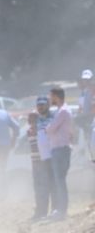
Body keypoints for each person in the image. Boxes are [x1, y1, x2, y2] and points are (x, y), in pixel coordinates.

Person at [46, 87, 72, 221]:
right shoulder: (60, 111)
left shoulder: (62, 111)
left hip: (60, 149)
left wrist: (48, 128)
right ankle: (61, 209)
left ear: (56, 97)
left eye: (51, 96)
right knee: (59, 181)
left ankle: (62, 210)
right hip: (59, 149)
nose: (50, 99)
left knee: (60, 181)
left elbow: (50, 129)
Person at [28, 96, 57, 221]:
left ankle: (54, 210)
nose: (40, 107)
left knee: (51, 186)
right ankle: (40, 211)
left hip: (48, 160)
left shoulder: (50, 120)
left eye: (43, 105)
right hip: (36, 162)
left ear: (47, 105)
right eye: (38, 105)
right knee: (38, 187)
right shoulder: (31, 127)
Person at [76, 69, 94, 143]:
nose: (86, 81)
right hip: (87, 122)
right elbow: (81, 107)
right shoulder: (84, 92)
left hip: (92, 122)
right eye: (84, 79)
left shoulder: (93, 90)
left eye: (88, 79)